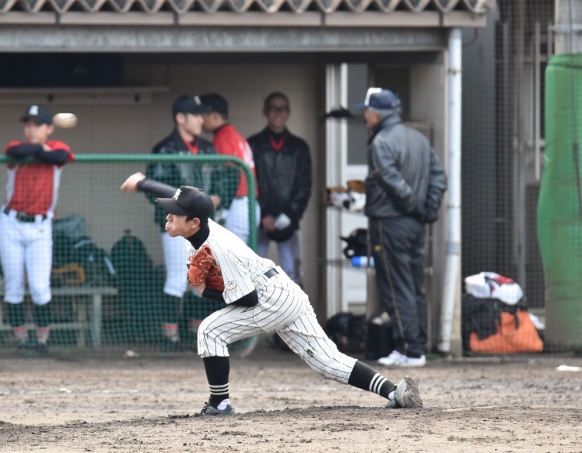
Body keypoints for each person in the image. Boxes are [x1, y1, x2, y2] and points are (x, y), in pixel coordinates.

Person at [120, 172, 423, 416]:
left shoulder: (220, 248)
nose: (168, 217)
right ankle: (395, 392)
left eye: (173, 215)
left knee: (210, 331)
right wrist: (144, 183)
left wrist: (203, 291)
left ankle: (219, 404)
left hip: (267, 298)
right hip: (284, 292)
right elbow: (183, 198)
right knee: (327, 362)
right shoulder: (197, 225)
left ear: (193, 222)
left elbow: (248, 300)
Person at [355, 88, 447, 368]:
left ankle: (409, 349)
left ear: (375, 114)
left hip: (390, 222)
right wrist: (427, 209)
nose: (365, 117)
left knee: (397, 285)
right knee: (414, 284)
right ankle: (418, 346)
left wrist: (415, 206)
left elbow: (392, 182)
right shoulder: (419, 139)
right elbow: (439, 178)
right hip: (416, 224)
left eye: (366, 112)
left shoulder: (381, 142)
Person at [145, 95, 230, 348]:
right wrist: (185, 207)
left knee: (204, 279)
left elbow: (224, 182)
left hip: (205, 225)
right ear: (180, 118)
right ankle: (169, 338)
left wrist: (218, 197)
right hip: (177, 226)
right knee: (177, 278)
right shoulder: (165, 149)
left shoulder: (208, 149)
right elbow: (154, 195)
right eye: (195, 115)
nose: (201, 120)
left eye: (202, 115)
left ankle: (197, 336)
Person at [0, 105, 75, 352]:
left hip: (40, 227)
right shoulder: (16, 147)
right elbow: (16, 152)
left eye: (37, 125)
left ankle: (41, 342)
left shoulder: (58, 146)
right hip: (10, 224)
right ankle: (22, 342)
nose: (31, 130)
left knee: (40, 288)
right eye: (28, 125)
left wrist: (41, 150)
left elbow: (59, 157)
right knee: (14, 287)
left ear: (49, 128)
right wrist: (41, 149)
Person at [247, 92, 311, 286]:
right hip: (260, 219)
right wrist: (263, 212)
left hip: (289, 219)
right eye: (273, 109)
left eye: (282, 109)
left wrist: (290, 214)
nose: (278, 114)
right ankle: (254, 307)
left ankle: (294, 307)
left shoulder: (299, 147)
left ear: (288, 112)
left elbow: (305, 185)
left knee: (294, 274)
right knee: (252, 272)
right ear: (265, 112)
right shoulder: (253, 145)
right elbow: (248, 182)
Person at [199, 93, 259, 244]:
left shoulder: (223, 138)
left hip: (236, 204)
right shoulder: (235, 135)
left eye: (202, 115)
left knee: (229, 257)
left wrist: (224, 206)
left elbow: (231, 175)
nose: (200, 119)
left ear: (214, 116)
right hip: (249, 204)